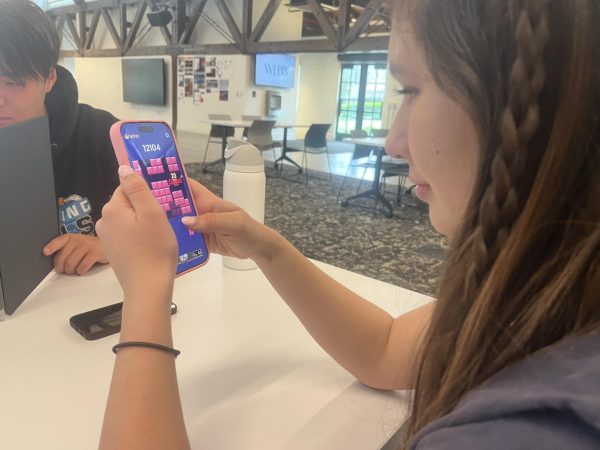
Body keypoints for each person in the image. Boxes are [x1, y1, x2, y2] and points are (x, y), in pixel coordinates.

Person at [96, 0, 599, 449]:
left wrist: (143, 292)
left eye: (412, 89)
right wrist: (265, 245)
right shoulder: (552, 288)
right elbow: (383, 353)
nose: (393, 143)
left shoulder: (533, 427)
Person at [0, 0, 119, 275]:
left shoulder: (102, 134)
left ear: (49, 77)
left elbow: (169, 217)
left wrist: (107, 245)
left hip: (85, 295)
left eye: (13, 82)